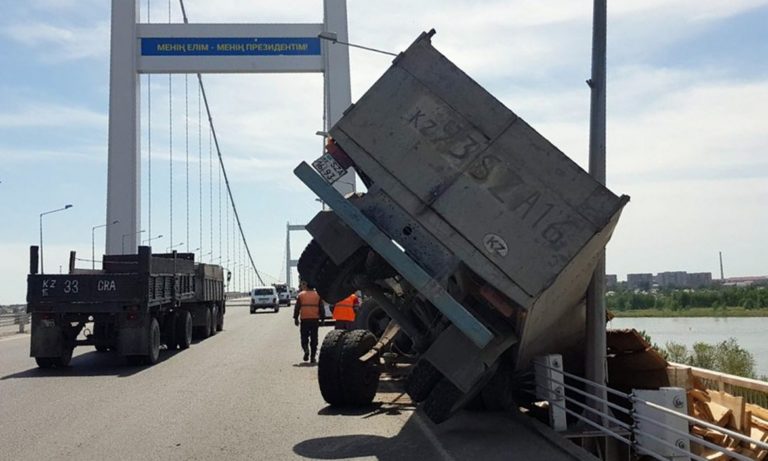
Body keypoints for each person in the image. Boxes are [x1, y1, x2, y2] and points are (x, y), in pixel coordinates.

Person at [293, 280, 324, 363]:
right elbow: (321, 308)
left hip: (304, 319)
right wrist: (323, 319)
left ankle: (306, 349)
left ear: (306, 286)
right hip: (314, 319)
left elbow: (297, 308)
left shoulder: (301, 295)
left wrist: (296, 318)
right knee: (314, 338)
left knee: (304, 337)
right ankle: (313, 356)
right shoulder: (318, 295)